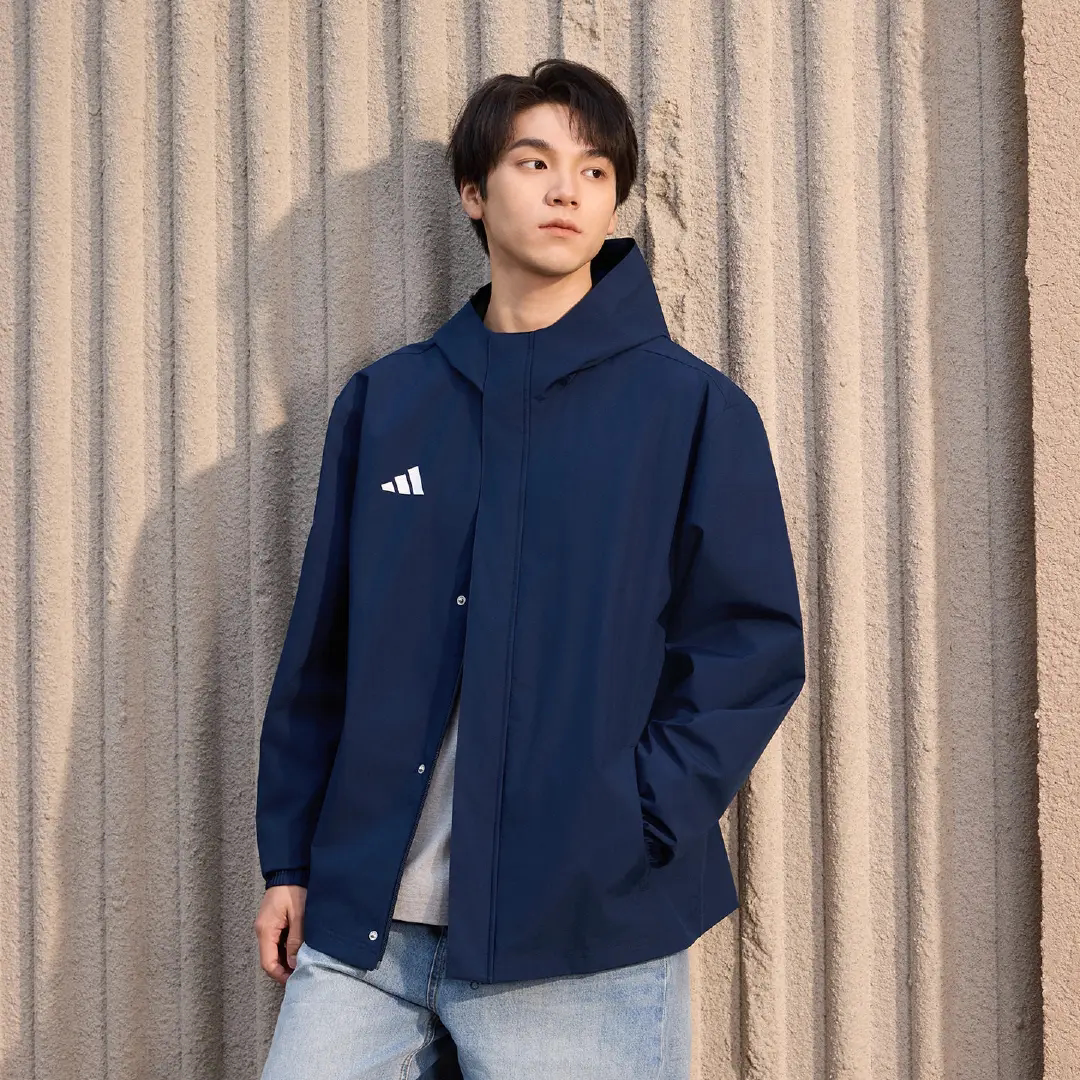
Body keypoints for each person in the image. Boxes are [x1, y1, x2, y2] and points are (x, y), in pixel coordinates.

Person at [253, 57, 805, 1080]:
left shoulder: (690, 411)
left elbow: (749, 648)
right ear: (474, 191)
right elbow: (322, 649)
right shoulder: (389, 404)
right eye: (534, 162)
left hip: (581, 932)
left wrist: (631, 822)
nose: (567, 190)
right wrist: (290, 858)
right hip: (365, 927)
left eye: (595, 171)